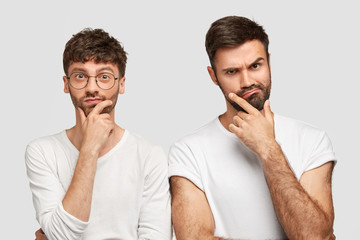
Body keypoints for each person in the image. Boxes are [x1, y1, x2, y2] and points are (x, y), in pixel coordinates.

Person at [169, 16, 336, 240]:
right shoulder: (188, 151)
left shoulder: (312, 141)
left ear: (269, 62)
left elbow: (313, 236)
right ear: (213, 76)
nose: (247, 81)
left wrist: (267, 148)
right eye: (232, 72)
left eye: (255, 66)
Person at [25, 28, 172, 240]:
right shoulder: (42, 152)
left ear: (121, 84)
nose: (92, 87)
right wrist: (90, 148)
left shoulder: (149, 156)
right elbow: (61, 235)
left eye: (104, 76)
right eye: (80, 76)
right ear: (66, 84)